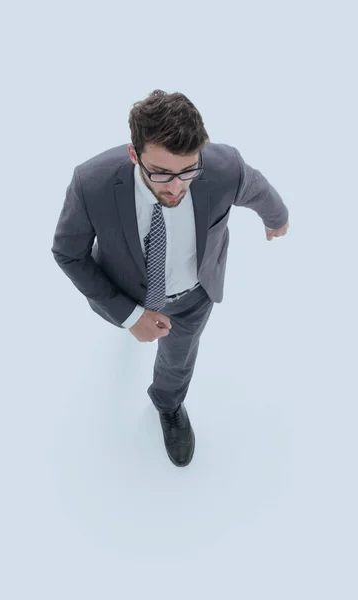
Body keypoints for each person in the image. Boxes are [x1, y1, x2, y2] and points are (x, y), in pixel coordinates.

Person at [51, 89, 289, 468]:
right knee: (129, 325)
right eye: (160, 173)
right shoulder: (90, 182)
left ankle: (168, 403)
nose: (176, 187)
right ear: (135, 155)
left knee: (178, 359)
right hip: (124, 290)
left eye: (187, 172)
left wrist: (277, 218)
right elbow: (68, 252)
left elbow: (256, 188)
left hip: (193, 296)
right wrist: (129, 316)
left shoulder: (223, 166)